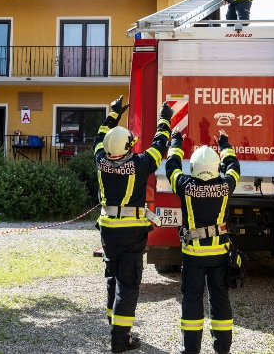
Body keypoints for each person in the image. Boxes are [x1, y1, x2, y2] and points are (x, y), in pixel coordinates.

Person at [94, 95, 173, 353]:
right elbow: (160, 145)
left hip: (108, 231)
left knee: (113, 277)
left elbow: (99, 136)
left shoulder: (100, 159)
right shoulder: (139, 164)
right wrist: (165, 119)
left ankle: (113, 323)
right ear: (128, 146)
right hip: (131, 233)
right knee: (128, 283)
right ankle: (121, 338)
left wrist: (113, 113)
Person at [166, 128, 241, 354]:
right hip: (219, 255)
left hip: (193, 256)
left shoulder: (184, 185)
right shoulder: (226, 185)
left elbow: (171, 166)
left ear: (193, 168)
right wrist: (225, 144)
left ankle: (190, 348)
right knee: (220, 300)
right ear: (216, 168)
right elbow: (234, 167)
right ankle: (222, 348)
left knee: (191, 300)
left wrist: (176, 141)